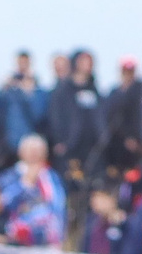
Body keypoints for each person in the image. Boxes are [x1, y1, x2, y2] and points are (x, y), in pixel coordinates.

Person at [43, 49, 102, 189]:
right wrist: (60, 141)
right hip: (70, 148)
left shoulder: (94, 89)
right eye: (84, 61)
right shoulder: (63, 90)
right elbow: (55, 117)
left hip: (93, 149)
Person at [0, 51, 48, 152]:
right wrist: (3, 89)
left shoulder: (39, 91)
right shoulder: (9, 90)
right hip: (9, 143)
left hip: (30, 144)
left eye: (25, 63)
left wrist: (29, 94)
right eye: (20, 62)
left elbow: (38, 117)